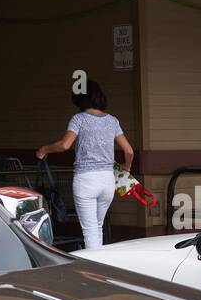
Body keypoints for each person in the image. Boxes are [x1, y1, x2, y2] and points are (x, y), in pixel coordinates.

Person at [36, 80, 134, 250]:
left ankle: (94, 270)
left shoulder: (79, 119)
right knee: (97, 227)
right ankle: (101, 265)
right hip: (107, 180)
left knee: (90, 232)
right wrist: (126, 167)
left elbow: (65, 145)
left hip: (86, 180)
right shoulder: (113, 121)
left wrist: (44, 149)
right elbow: (129, 151)